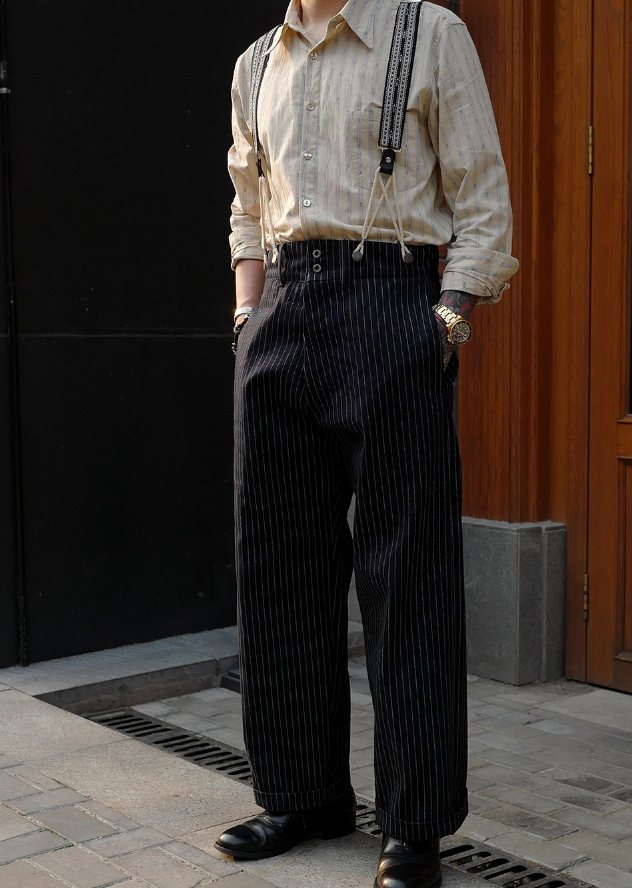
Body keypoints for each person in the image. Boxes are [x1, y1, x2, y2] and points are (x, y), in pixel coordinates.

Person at [216, 1, 519, 886]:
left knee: (408, 576)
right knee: (277, 569)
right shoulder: (256, 63)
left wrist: (445, 327)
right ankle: (301, 795)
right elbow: (246, 205)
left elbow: (482, 202)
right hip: (282, 314)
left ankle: (414, 824)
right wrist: (246, 317)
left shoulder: (430, 33)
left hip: (394, 303)